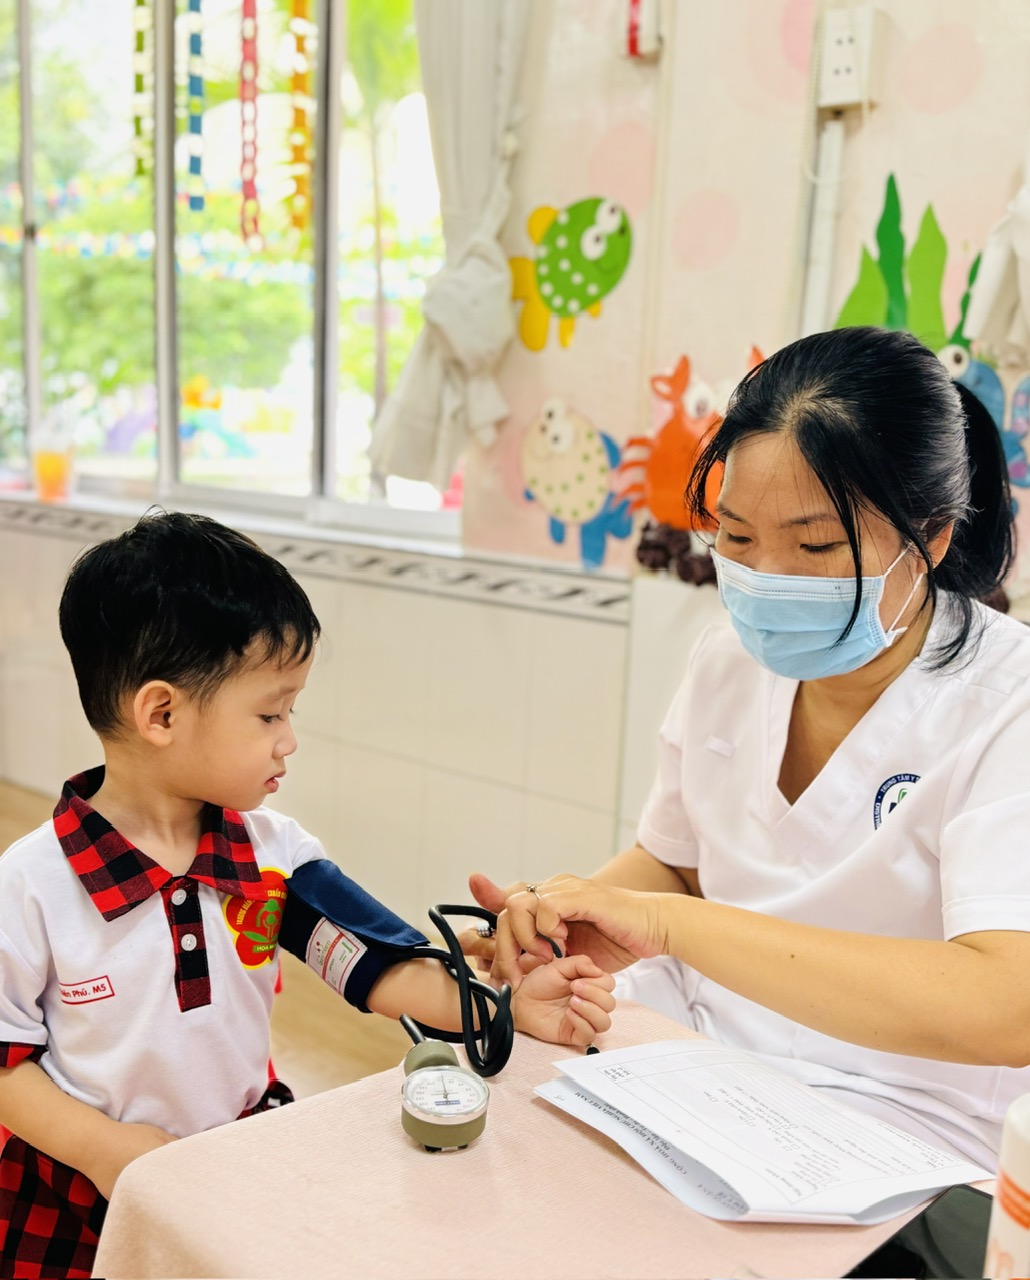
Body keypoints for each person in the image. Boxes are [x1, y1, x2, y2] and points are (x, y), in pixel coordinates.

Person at [468, 325, 1030, 1173]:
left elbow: (1006, 1005)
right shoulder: (728, 660)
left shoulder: (1009, 704)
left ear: (934, 537)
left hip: (907, 1121)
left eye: (816, 545)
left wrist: (670, 925)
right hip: (693, 1063)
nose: (767, 576)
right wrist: (569, 919)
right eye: (735, 537)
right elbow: (676, 865)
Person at [0, 512, 615, 1280]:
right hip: (77, 1193)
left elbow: (383, 969)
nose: (289, 738)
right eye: (270, 713)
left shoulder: (274, 856)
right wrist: (107, 1151)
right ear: (161, 713)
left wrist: (502, 1008)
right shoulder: (30, 885)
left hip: (236, 1158)